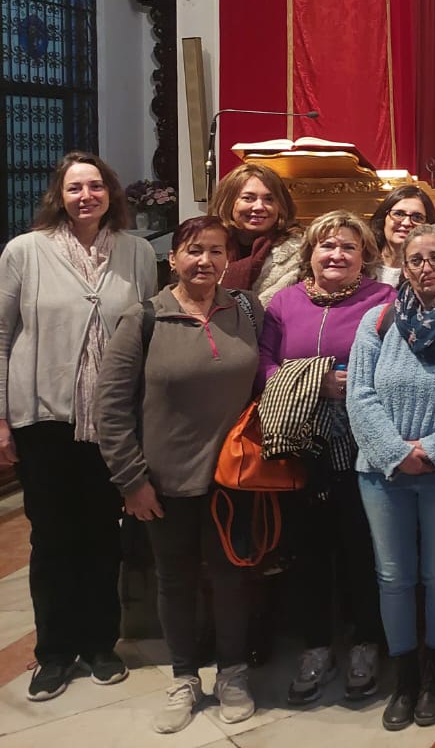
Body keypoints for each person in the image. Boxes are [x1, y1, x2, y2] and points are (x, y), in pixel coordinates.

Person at [94, 215, 261, 733]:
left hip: (234, 478)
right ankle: (185, 676)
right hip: (164, 482)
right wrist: (130, 480)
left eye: (215, 251)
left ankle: (233, 673)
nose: (204, 261)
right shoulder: (143, 319)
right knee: (176, 580)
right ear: (173, 258)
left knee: (234, 577)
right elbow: (111, 406)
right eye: (193, 251)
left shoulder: (244, 311)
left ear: (228, 260)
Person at [0, 152, 156, 700]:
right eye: (74, 188)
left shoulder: (137, 253)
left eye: (95, 186)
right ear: (58, 196)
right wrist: (0, 418)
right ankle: (53, 651)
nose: (85, 195)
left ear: (110, 192)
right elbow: (1, 336)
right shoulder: (25, 251)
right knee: (52, 539)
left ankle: (100, 644)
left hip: (111, 421)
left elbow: (145, 334)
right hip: (44, 419)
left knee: (102, 537)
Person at [258, 210, 394, 706]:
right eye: (326, 246)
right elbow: (265, 361)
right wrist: (312, 382)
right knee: (308, 548)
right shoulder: (284, 303)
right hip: (299, 442)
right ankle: (315, 645)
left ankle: (365, 643)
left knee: (363, 547)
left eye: (348, 248)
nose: (336, 255)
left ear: (365, 258)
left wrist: (351, 387)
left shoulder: (383, 301)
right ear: (310, 254)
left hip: (362, 443)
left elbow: (395, 362)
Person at [347, 223, 435, 731]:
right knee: (393, 576)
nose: (426, 268)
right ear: (402, 263)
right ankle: (404, 675)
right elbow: (359, 394)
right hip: (382, 471)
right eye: (415, 259)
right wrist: (397, 453)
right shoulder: (377, 322)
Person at [210, 161, 304, 301]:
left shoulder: (303, 254)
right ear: (228, 202)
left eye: (269, 199)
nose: (259, 206)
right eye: (248, 198)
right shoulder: (207, 249)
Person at [370, 185, 435, 288]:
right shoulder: (362, 262)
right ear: (383, 218)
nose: (406, 223)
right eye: (398, 214)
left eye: (417, 217)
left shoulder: (433, 270)